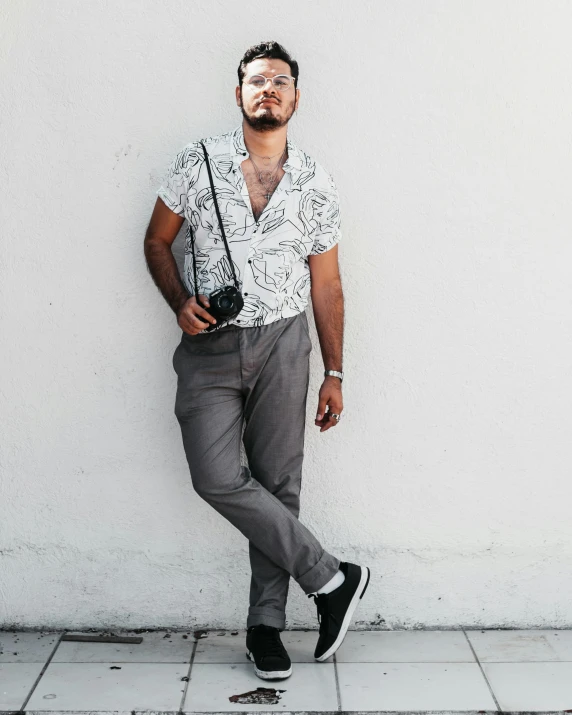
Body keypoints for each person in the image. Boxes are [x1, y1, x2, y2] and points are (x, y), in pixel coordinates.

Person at [144, 40, 370, 681]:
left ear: (296, 96)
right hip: (208, 347)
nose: (266, 89)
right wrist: (179, 301)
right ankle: (332, 579)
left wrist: (335, 371)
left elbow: (327, 284)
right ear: (237, 94)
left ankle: (265, 627)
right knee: (215, 476)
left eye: (279, 81)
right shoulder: (199, 163)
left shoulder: (315, 181)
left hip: (285, 343)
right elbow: (157, 240)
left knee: (280, 486)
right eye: (254, 81)